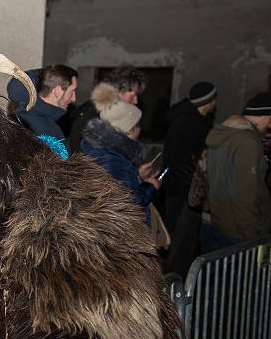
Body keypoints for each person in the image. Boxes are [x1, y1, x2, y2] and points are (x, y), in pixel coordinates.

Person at [201, 92, 271, 252]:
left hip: (218, 221)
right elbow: (244, 195)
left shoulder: (224, 135)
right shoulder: (248, 142)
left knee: (218, 275)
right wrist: (252, 237)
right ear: (262, 116)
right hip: (240, 232)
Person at [81, 82, 160, 225]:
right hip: (121, 234)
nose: (140, 130)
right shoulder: (110, 158)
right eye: (137, 125)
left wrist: (138, 175)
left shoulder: (109, 151)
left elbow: (120, 184)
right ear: (129, 130)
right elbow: (125, 202)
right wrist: (149, 187)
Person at [160, 81, 217, 233]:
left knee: (183, 229)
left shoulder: (199, 120)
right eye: (213, 99)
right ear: (206, 102)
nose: (215, 103)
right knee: (175, 228)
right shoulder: (187, 123)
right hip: (180, 185)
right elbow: (178, 158)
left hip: (186, 184)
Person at [68, 65, 146, 152]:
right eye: (133, 94)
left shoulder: (109, 115)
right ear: (120, 91)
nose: (136, 101)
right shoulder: (92, 116)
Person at [7, 64, 78, 157]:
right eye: (72, 91)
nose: (74, 98)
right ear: (57, 91)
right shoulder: (41, 129)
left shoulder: (30, 116)